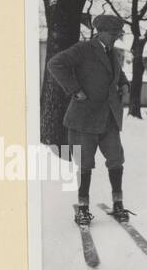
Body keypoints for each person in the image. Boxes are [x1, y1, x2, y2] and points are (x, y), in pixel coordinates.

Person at [45, 14, 131, 226]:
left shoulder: (114, 53)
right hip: (84, 118)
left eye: (118, 34)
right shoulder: (83, 49)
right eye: (113, 34)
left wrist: (125, 84)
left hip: (109, 117)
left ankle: (118, 204)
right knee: (85, 163)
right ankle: (83, 208)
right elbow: (55, 64)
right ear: (100, 32)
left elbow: (118, 75)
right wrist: (75, 89)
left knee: (116, 159)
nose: (116, 38)